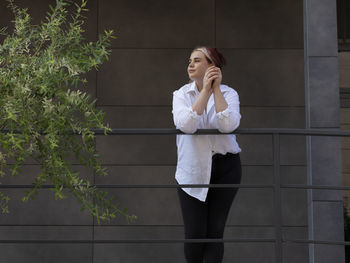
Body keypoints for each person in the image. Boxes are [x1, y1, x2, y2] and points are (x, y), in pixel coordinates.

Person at [172, 46, 242, 263]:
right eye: (189, 61)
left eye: (196, 60)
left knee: (215, 234)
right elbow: (187, 125)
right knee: (194, 234)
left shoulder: (229, 93)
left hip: (226, 168)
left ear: (212, 66)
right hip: (192, 168)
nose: (190, 65)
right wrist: (204, 91)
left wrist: (216, 89)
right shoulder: (181, 94)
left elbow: (229, 125)